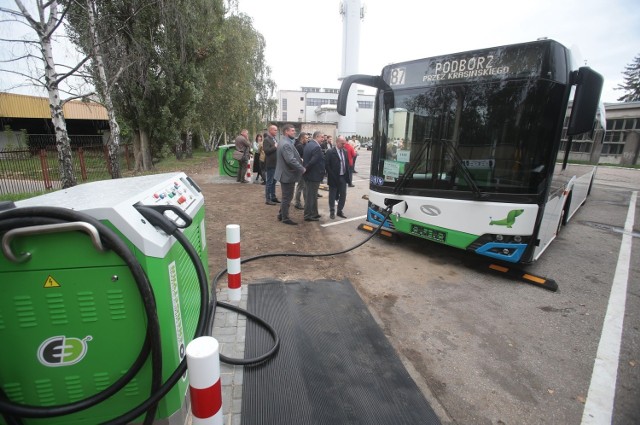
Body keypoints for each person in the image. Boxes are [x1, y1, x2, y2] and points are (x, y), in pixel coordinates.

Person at [274, 124, 305, 225]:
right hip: (287, 174)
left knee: (286, 196)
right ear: (286, 132)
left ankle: (281, 214)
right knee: (287, 197)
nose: (294, 132)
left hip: (285, 173)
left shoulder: (284, 141)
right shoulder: (286, 144)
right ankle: (285, 218)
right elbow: (290, 160)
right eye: (292, 131)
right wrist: (301, 168)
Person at [325, 135, 350, 219]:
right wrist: (331, 175)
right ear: (337, 142)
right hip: (333, 177)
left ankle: (340, 210)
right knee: (332, 195)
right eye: (342, 143)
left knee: (343, 194)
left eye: (345, 143)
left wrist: (348, 177)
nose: (344, 145)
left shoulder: (345, 151)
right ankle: (332, 211)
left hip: (343, 177)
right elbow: (327, 165)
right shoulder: (330, 152)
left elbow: (346, 165)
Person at [302, 131, 325, 221]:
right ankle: (308, 215)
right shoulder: (316, 147)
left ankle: (314, 213)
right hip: (313, 175)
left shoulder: (309, 144)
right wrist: (305, 169)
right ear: (317, 137)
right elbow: (313, 161)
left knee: (313, 195)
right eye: (322, 137)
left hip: (310, 175)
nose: (323, 139)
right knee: (310, 196)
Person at [263, 125, 279, 204]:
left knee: (274, 182)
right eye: (275, 130)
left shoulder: (274, 139)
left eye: (276, 130)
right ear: (270, 130)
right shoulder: (266, 139)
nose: (276, 131)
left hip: (275, 164)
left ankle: (273, 197)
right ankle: (268, 199)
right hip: (270, 164)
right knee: (269, 182)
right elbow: (266, 151)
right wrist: (275, 147)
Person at [293, 132, 309, 210]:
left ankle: (301, 201)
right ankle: (297, 202)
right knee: (300, 186)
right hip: (301, 168)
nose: (307, 140)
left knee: (303, 185)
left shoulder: (302, 145)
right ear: (302, 138)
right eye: (306, 138)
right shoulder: (299, 146)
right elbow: (298, 158)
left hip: (303, 168)